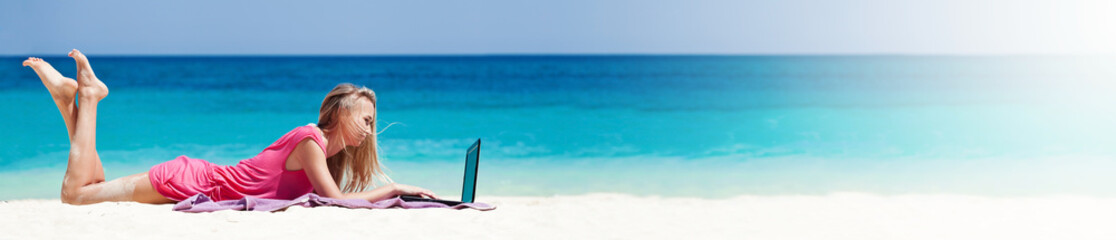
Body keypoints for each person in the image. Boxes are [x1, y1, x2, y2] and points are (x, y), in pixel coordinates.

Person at [23, 49, 439, 205]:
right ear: (340, 112)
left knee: (91, 184)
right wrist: (395, 188)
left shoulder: (325, 154)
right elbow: (337, 201)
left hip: (197, 177)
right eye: (364, 119)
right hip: (188, 180)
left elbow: (335, 196)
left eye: (372, 123)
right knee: (75, 197)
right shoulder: (312, 139)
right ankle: (90, 97)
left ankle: (67, 99)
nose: (369, 130)